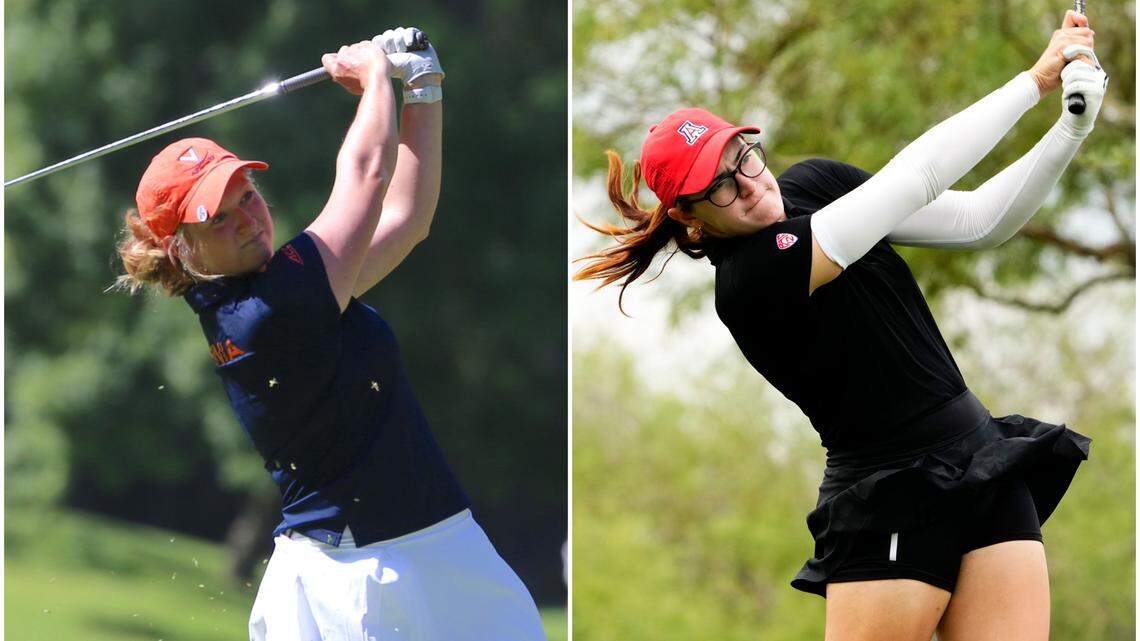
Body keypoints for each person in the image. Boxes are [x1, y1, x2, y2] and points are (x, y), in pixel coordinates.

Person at [575, 11, 1106, 641]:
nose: (748, 183)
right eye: (718, 187)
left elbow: (977, 223)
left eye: (743, 156)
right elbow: (920, 174)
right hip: (890, 497)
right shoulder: (749, 283)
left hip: (982, 457)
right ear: (690, 222)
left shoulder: (814, 185)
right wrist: (1036, 82)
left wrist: (1071, 129)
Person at [115, 28, 546, 641]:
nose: (247, 218)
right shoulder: (273, 307)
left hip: (397, 549)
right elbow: (366, 174)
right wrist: (375, 79)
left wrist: (423, 85)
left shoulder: (274, 294)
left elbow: (405, 218)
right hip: (371, 571)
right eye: (220, 216)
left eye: (247, 194)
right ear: (181, 251)